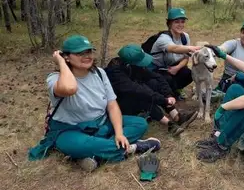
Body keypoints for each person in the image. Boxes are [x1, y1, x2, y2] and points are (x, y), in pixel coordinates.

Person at [28, 35, 161, 172]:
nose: (87, 56)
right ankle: (134, 147)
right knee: (75, 144)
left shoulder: (99, 73)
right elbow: (70, 88)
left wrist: (120, 133)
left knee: (140, 123)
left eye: (89, 52)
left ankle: (96, 155)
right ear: (66, 56)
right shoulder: (54, 79)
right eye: (80, 53)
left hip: (102, 123)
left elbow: (112, 104)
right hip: (71, 130)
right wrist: (61, 63)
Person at [105, 44, 198, 137]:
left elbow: (157, 76)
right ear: (131, 63)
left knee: (153, 83)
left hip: (132, 93)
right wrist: (163, 100)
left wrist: (168, 94)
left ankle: (177, 116)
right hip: (118, 104)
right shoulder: (115, 73)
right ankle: (170, 125)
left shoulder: (131, 65)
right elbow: (137, 90)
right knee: (142, 96)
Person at [149, 7, 202, 100]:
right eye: (176, 22)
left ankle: (175, 89)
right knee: (167, 80)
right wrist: (191, 48)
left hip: (172, 67)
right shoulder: (163, 38)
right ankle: (165, 95)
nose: (180, 24)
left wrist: (177, 68)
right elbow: (174, 48)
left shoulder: (185, 37)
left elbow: (186, 57)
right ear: (169, 23)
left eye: (182, 21)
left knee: (190, 73)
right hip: (157, 69)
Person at [215, 20, 244, 92]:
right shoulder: (234, 44)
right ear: (240, 33)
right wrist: (218, 50)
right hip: (230, 79)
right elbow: (222, 48)